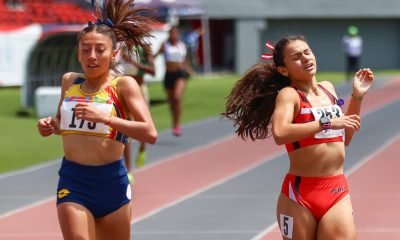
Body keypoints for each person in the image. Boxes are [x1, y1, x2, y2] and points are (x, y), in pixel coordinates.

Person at [223, 35, 373, 239]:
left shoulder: (328, 89)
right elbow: (280, 133)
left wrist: (357, 96)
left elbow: (344, 138)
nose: (305, 58)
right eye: (296, 56)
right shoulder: (289, 95)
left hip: (336, 189)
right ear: (284, 70)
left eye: (307, 52)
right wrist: (326, 123)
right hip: (300, 194)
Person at [36, 0, 157, 239]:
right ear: (78, 52)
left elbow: (149, 133)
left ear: (114, 53)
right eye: (85, 49)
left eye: (100, 50)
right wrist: (51, 126)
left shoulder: (123, 85)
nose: (92, 56)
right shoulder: (70, 82)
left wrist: (107, 118)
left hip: (112, 183)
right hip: (74, 181)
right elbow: (64, 124)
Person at [118, 44, 155, 175]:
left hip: (140, 88)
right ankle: (128, 170)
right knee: (125, 129)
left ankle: (142, 148)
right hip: (124, 91)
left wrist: (132, 62)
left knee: (143, 127)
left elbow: (153, 70)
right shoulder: (120, 47)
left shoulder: (144, 48)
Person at [155, 26, 193, 136]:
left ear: (178, 35)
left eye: (176, 33)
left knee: (177, 97)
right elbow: (156, 56)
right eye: (172, 33)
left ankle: (177, 124)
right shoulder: (165, 45)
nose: (173, 36)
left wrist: (189, 70)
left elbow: (185, 60)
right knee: (172, 102)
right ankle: (174, 122)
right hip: (168, 75)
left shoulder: (182, 46)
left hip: (180, 74)